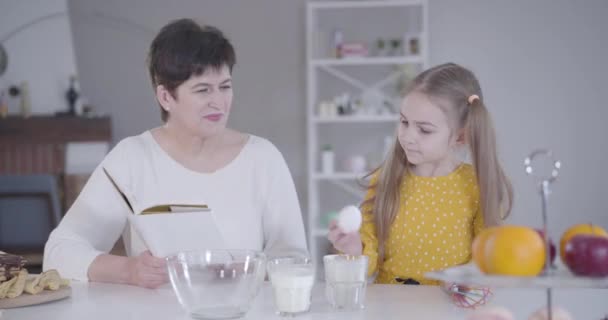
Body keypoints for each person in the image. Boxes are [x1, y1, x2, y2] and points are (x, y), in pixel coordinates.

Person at [44, 18, 307, 288]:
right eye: (203, 90)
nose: (219, 101)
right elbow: (59, 252)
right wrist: (128, 270)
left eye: (225, 86)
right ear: (166, 97)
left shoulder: (263, 158)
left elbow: (295, 260)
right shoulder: (132, 158)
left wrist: (252, 268)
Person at [328, 63, 513, 285]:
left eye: (424, 130)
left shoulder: (476, 186)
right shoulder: (386, 180)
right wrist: (353, 249)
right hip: (387, 311)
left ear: (460, 137)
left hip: (448, 313)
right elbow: (367, 264)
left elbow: (485, 262)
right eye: (404, 122)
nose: (407, 136)